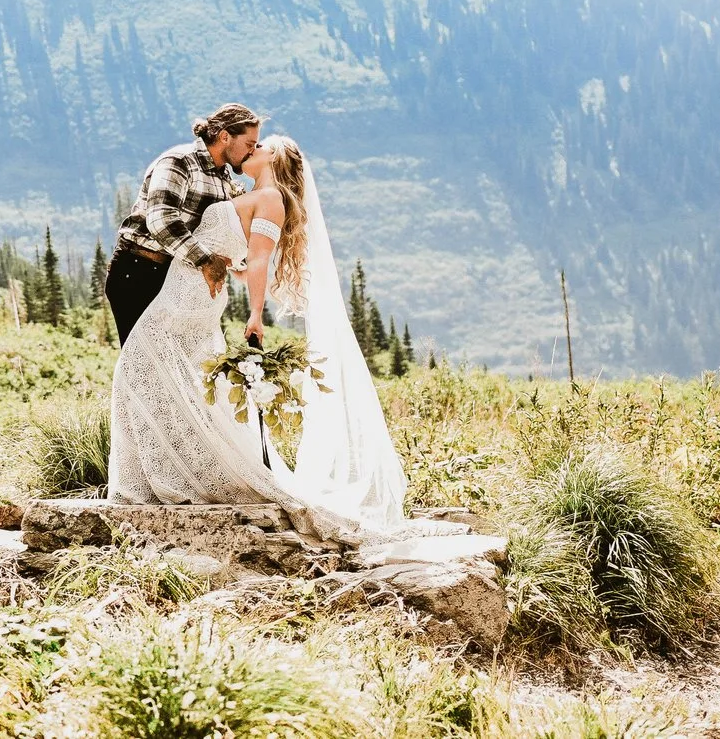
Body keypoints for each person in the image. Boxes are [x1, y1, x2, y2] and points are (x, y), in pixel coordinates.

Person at [105, 131, 505, 564]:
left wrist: (255, 314)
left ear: (274, 162)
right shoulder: (245, 191)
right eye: (252, 144)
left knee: (141, 369)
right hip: (187, 290)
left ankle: (176, 473)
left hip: (189, 297)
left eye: (261, 148)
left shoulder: (271, 198)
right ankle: (170, 469)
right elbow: (241, 259)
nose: (252, 150)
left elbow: (258, 260)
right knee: (166, 379)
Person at [105, 103, 258, 346]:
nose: (252, 151)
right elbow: (162, 220)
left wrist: (236, 260)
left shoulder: (222, 177)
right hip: (139, 271)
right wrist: (207, 260)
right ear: (225, 136)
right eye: (250, 144)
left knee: (176, 371)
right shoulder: (180, 161)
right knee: (145, 366)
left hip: (174, 277)